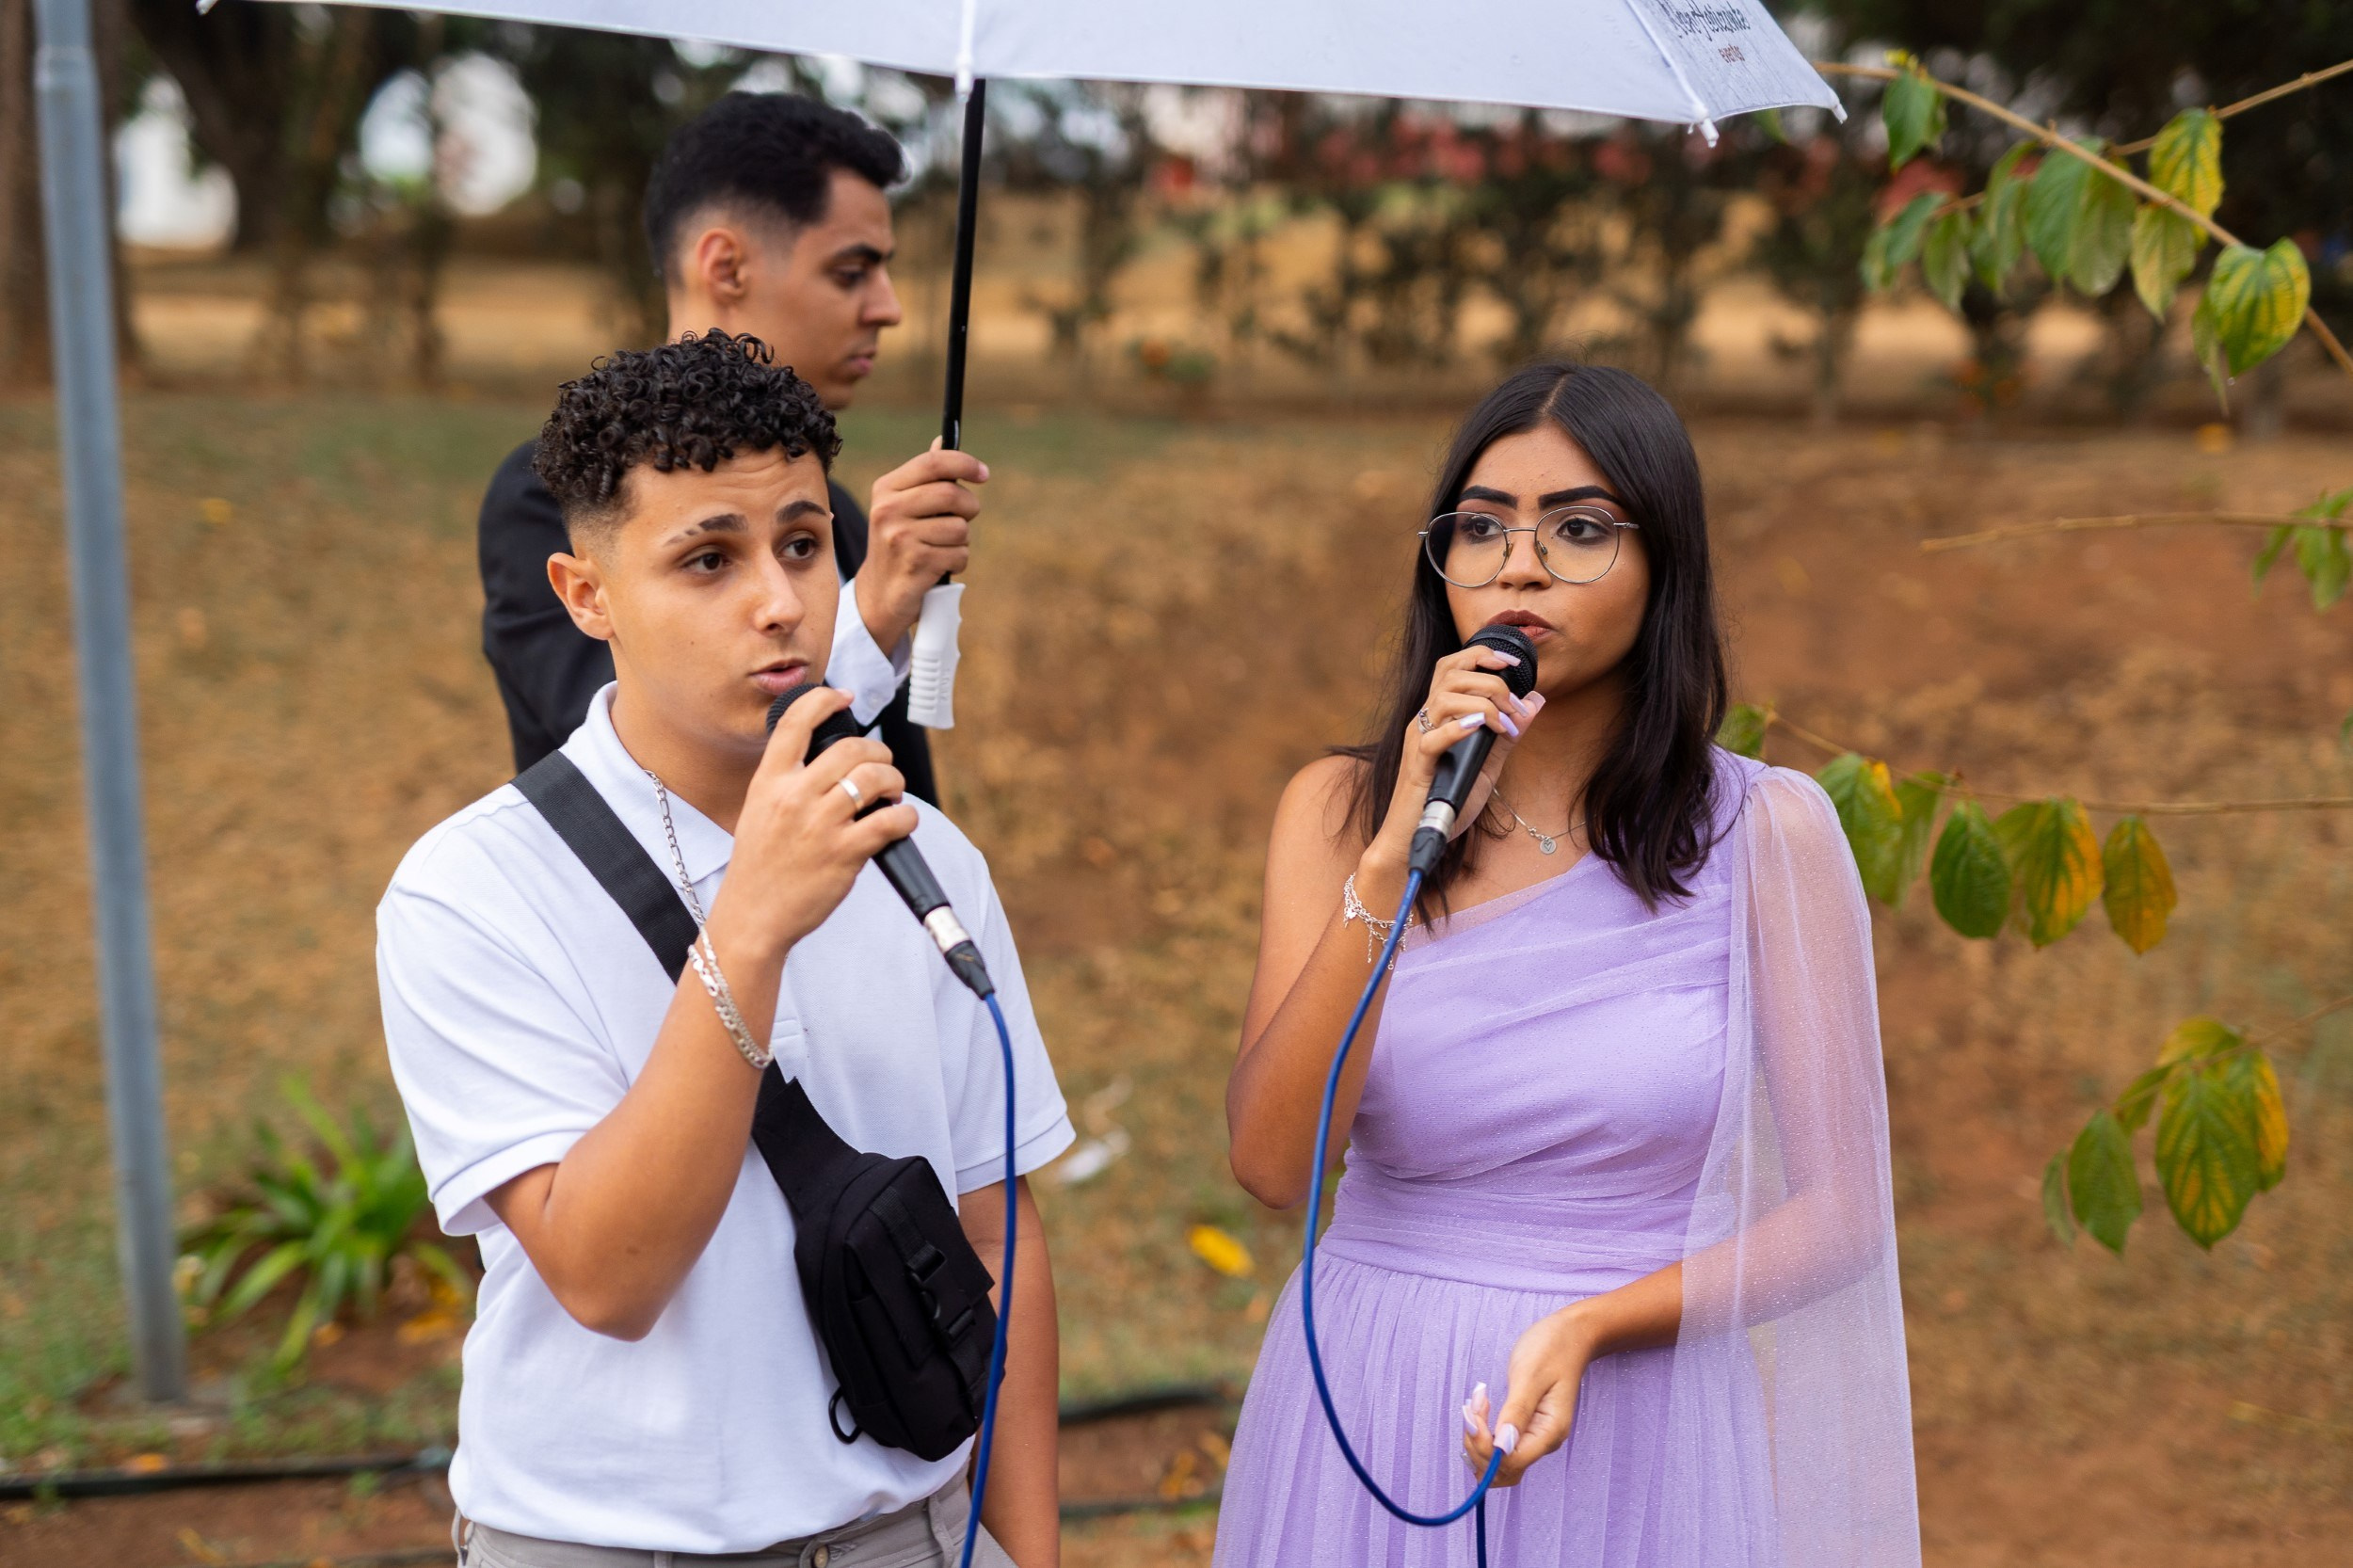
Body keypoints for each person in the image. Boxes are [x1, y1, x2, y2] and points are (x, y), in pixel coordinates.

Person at [381, 333, 1071, 1566]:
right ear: (585, 594)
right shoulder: (470, 889)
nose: (781, 599)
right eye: (710, 557)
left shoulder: (928, 860)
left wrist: (1017, 1547)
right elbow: (608, 1274)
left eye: (803, 544)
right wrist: (748, 928)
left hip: (907, 1528)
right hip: (600, 1540)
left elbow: (995, 1234)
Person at [1214, 362, 1920, 1566]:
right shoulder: (1337, 811)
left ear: (1666, 567)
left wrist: (1596, 1325)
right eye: (1481, 527)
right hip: (1374, 1395)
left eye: (1579, 528)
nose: (1519, 563)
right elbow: (1275, 1163)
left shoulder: (1767, 832)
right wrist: (1390, 860)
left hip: (1638, 1413)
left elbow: (1842, 1214)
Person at [479, 91, 977, 800]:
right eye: (850, 271)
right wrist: (868, 617)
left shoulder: (841, 515)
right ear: (726, 268)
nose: (888, 307)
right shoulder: (550, 500)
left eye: (802, 547)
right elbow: (666, 777)